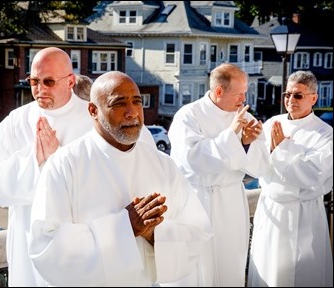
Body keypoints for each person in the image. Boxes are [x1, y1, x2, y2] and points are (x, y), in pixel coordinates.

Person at [27, 71, 213, 287]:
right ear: (93, 111)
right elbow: (45, 245)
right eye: (119, 103)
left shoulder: (162, 164)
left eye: (137, 102)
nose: (132, 113)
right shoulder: (64, 165)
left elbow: (197, 232)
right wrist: (125, 226)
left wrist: (154, 233)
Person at [0, 47, 95, 286]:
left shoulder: (93, 120)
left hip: (78, 243)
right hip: (27, 239)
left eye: (49, 82)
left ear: (71, 81)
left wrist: (58, 160)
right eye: (34, 81)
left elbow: (104, 182)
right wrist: (34, 162)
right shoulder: (15, 122)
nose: (40, 90)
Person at [168, 63, 269, 286]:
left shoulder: (247, 118)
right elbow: (193, 159)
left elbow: (260, 166)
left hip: (230, 202)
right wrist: (232, 135)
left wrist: (245, 144)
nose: (244, 99)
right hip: (197, 201)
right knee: (198, 269)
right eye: (239, 93)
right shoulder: (188, 116)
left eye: (245, 92)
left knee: (230, 265)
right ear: (219, 91)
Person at [247, 70, 333, 287]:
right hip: (271, 208)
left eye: (298, 95)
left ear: (313, 98)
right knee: (268, 268)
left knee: (303, 273)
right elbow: (257, 165)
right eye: (287, 94)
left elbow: (315, 174)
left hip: (303, 213)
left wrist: (283, 148)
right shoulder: (272, 123)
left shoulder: (325, 134)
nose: (290, 100)